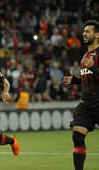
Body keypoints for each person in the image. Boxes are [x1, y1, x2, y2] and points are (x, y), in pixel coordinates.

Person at [62, 20, 99, 170]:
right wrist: (75, 80)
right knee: (77, 135)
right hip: (86, 103)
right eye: (84, 31)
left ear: (97, 34)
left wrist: (95, 68)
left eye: (88, 31)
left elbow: (94, 72)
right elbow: (88, 77)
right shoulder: (85, 56)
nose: (84, 34)